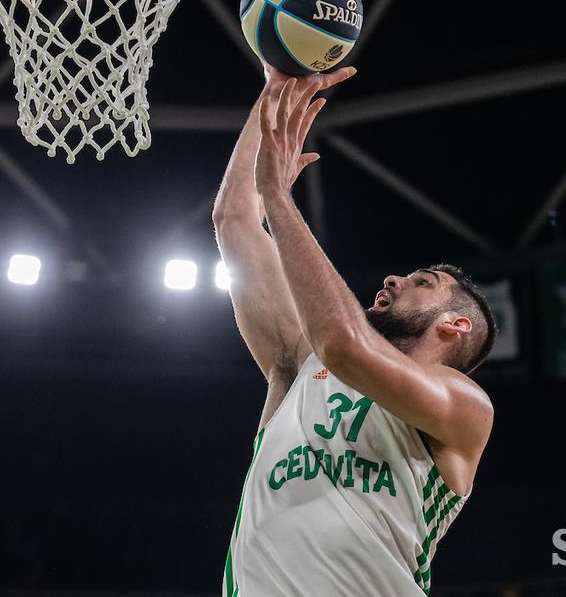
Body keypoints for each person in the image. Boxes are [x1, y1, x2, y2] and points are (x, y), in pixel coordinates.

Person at [213, 64, 498, 596]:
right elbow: (234, 219)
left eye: (422, 282)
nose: (395, 278)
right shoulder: (299, 365)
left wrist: (279, 198)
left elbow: (344, 343)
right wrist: (275, 88)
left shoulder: (463, 408)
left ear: (455, 325)